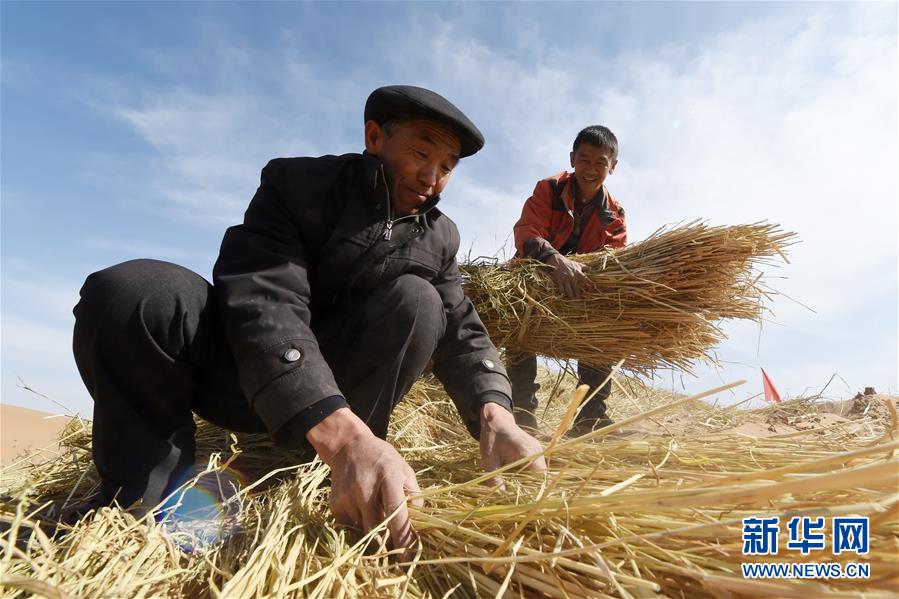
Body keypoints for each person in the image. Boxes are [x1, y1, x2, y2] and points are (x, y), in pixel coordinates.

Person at [72, 85, 546, 549]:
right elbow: (265, 296)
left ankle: (321, 463)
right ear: (375, 138)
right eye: (422, 154)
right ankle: (140, 498)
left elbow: (461, 328)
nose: (432, 178)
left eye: (447, 167)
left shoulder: (440, 237)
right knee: (135, 292)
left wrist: (496, 415)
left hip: (338, 396)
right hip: (243, 374)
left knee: (420, 301)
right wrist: (339, 435)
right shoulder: (297, 185)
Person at [508, 125, 627, 436]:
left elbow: (613, 260)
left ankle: (590, 417)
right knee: (520, 320)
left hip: (580, 288)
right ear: (572, 159)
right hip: (534, 276)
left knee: (606, 325)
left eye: (600, 162)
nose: (590, 169)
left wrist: (587, 279)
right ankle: (521, 413)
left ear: (612, 166)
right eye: (584, 160)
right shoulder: (548, 189)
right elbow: (527, 233)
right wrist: (555, 261)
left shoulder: (614, 215)